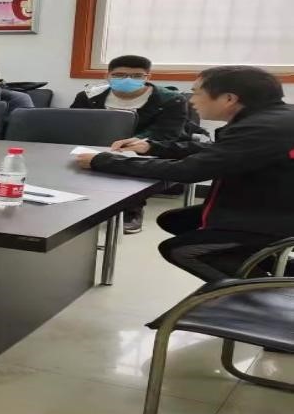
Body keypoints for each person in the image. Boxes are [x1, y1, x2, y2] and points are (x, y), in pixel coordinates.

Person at [76, 66, 294, 283]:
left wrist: (103, 161)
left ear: (228, 98)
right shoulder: (273, 119)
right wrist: (153, 147)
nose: (192, 101)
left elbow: (188, 170)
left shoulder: (262, 129)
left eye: (197, 93)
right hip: (269, 204)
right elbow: (223, 152)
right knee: (177, 221)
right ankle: (275, 268)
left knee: (182, 250)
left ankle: (259, 291)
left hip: (274, 217)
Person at [71, 54, 193, 234]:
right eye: (119, 75)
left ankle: (131, 210)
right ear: (108, 75)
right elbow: (74, 123)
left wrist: (135, 143)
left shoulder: (171, 99)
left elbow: (167, 132)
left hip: (146, 146)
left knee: (130, 162)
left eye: (136, 76)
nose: (127, 80)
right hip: (97, 144)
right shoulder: (88, 96)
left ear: (147, 77)